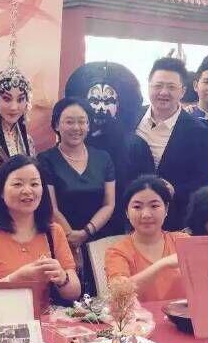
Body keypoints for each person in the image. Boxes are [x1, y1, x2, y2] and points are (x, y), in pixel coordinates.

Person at [0, 155, 80, 308]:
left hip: (48, 318)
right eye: (18, 184)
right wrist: (17, 278)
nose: (27, 191)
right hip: (4, 318)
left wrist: (62, 277)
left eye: (34, 184)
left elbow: (74, 292)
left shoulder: (54, 231)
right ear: (1, 192)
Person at [130, 57, 208, 230]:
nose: (163, 92)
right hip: (131, 217)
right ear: (148, 86)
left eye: (171, 87)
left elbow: (202, 180)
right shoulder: (130, 118)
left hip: (174, 220)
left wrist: (175, 189)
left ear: (182, 91)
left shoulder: (198, 131)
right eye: (158, 86)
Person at [63, 61, 146, 234]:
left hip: (119, 230)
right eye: (94, 100)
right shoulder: (72, 144)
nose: (100, 108)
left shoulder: (136, 147)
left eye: (108, 101)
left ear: (119, 105)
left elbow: (143, 193)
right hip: (72, 230)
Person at [38, 97, 115, 264]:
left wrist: (85, 232)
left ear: (88, 125)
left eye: (81, 121)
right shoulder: (45, 159)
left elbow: (109, 204)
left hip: (98, 238)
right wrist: (71, 238)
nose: (76, 127)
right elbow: (51, 207)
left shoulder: (103, 158)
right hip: (60, 239)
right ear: (56, 125)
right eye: (69, 122)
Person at [104, 176, 188, 302]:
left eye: (154, 206)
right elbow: (120, 293)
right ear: (126, 212)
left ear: (166, 209)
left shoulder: (183, 241)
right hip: (139, 315)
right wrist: (161, 265)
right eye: (137, 207)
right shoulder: (117, 251)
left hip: (184, 314)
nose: (146, 214)